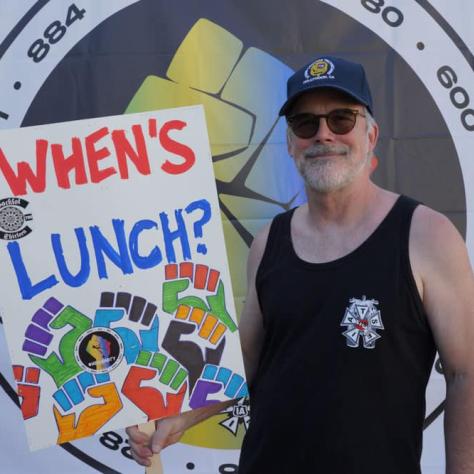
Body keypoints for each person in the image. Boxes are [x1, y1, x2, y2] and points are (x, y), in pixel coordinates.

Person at [126, 56, 474, 473]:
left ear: (372, 133)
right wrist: (177, 418)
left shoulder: (425, 235)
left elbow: (465, 373)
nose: (323, 135)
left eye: (341, 119)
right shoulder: (268, 242)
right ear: (290, 143)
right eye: (306, 124)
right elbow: (246, 363)